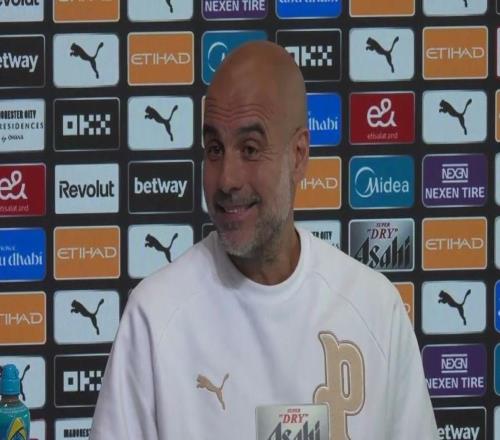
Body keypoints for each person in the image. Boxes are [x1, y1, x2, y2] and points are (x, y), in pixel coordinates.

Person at [90, 41, 438, 439]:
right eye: (215, 149)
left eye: (250, 149)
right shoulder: (154, 318)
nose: (227, 179)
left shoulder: (374, 308)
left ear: (299, 155)